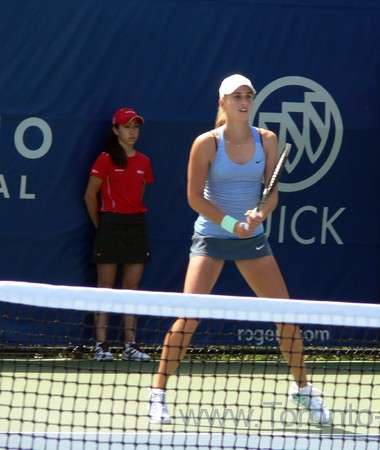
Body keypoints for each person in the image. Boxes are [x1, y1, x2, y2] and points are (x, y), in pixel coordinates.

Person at [147, 75, 331, 425]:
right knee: (188, 319)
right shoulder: (205, 144)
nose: (243, 101)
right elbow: (194, 198)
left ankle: (302, 389)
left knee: (286, 317)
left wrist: (260, 213)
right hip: (212, 238)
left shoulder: (268, 140)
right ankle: (157, 395)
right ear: (223, 103)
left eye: (248, 96)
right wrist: (232, 223)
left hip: (253, 240)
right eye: (236, 96)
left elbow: (272, 191)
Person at [84, 107, 154, 362]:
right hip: (110, 226)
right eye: (127, 127)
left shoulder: (144, 162)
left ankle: (130, 345)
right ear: (115, 130)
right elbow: (90, 196)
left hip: (136, 226)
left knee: (131, 288)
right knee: (105, 288)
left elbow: (139, 196)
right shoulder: (105, 159)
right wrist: (101, 225)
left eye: (135, 127)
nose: (132, 131)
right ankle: (101, 345)